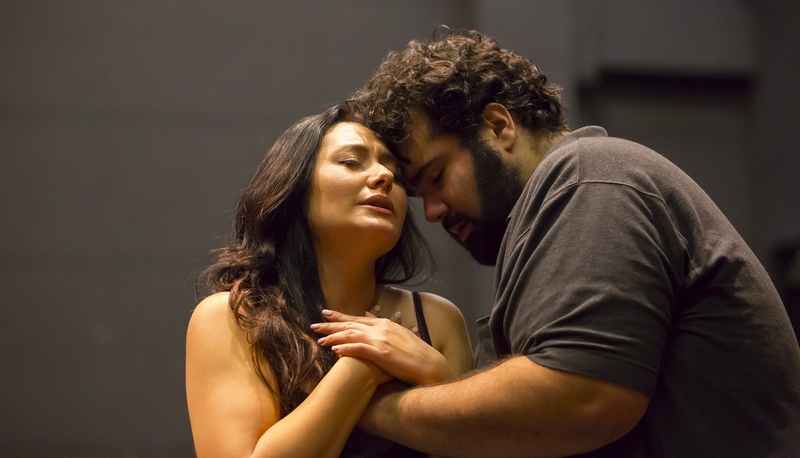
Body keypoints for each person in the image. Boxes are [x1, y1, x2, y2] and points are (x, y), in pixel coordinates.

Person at [312, 30, 800, 457]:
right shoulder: (556, 209)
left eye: (436, 178)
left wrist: (365, 406)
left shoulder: (590, 175)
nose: (433, 211)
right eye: (419, 197)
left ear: (500, 127)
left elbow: (583, 397)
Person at [185, 105, 473, 458]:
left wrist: (435, 373)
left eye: (396, 173)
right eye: (352, 162)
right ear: (295, 187)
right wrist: (363, 366)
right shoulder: (232, 317)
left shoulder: (439, 321)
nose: (383, 175)